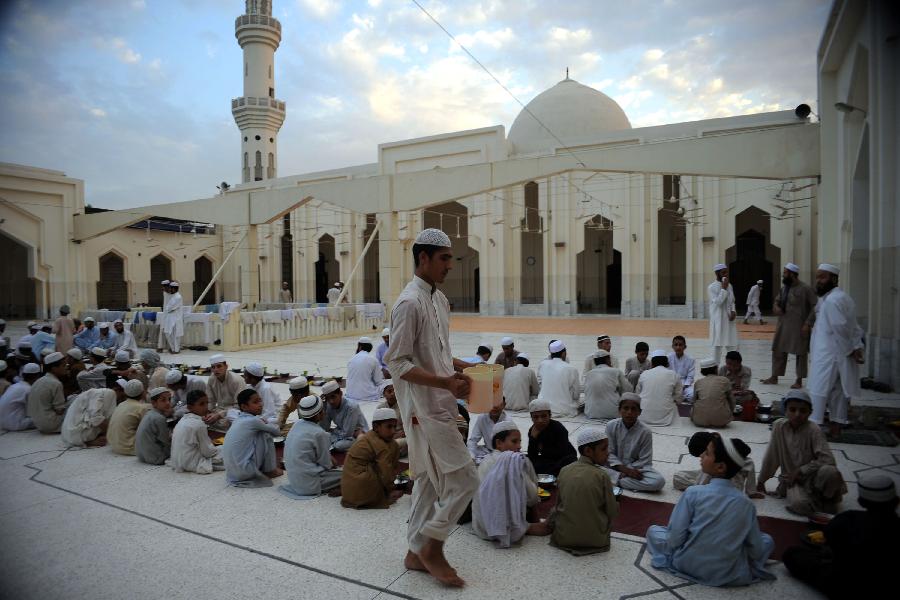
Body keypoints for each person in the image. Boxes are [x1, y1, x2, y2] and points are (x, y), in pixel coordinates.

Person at [383, 228, 479, 587]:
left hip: (440, 402)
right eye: (444, 258)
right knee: (467, 477)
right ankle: (433, 544)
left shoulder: (438, 300)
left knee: (425, 479)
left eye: (451, 258)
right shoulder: (409, 303)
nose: (450, 265)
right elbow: (398, 363)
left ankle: (414, 551)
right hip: (422, 409)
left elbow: (436, 354)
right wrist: (443, 383)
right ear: (423, 258)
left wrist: (463, 368)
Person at [646, 434, 775, 586]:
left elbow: (675, 539)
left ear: (720, 467)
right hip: (727, 573)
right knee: (766, 540)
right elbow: (756, 551)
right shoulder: (746, 504)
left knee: (654, 531)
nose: (701, 455)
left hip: (686, 563)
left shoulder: (692, 493)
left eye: (706, 453)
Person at [782, 473, 900, 600]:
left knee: (792, 554)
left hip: (844, 586)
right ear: (896, 501)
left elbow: (830, 541)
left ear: (861, 501)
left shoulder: (848, 520)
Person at [757, 389, 846, 516]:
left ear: (810, 413)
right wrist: (761, 481)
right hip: (794, 481)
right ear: (785, 411)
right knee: (799, 505)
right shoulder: (779, 426)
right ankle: (819, 501)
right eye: (792, 410)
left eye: (803, 411)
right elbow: (772, 455)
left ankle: (827, 499)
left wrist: (801, 470)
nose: (797, 414)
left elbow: (828, 460)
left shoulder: (813, 429)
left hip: (816, 477)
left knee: (830, 471)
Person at [807, 263, 864, 438]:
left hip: (829, 354)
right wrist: (856, 347)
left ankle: (814, 428)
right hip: (838, 353)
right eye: (817, 277)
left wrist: (852, 349)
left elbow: (841, 328)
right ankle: (836, 427)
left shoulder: (832, 301)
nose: (818, 281)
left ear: (833, 278)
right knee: (838, 391)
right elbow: (853, 327)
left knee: (818, 390)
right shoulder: (840, 297)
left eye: (822, 277)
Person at [472, 420, 548, 547]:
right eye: (514, 441)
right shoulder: (516, 461)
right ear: (499, 443)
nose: (519, 446)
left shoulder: (485, 461)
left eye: (520, 442)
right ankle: (524, 527)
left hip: (482, 525)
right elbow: (533, 497)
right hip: (507, 525)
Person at [549, 427, 619, 555]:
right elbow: (612, 512)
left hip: (563, 538)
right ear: (588, 451)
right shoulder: (602, 476)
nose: (608, 453)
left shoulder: (564, 470)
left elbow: (558, 505)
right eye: (603, 449)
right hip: (596, 541)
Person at [761, 263, 818, 388]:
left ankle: (799, 380)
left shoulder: (806, 289)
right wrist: (776, 307)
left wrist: (808, 323)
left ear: (792, 274)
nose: (783, 275)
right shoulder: (784, 288)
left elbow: (815, 306)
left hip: (799, 327)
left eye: (785, 273)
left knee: (800, 353)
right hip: (783, 325)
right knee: (778, 350)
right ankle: (774, 376)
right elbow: (777, 301)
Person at [279, 394, 342, 498]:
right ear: (318, 415)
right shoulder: (319, 433)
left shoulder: (296, 424)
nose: (324, 412)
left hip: (294, 481)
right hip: (310, 485)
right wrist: (331, 460)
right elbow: (326, 465)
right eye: (322, 410)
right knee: (346, 475)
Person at [341, 407, 403, 509]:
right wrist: (391, 488)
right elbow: (386, 471)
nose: (393, 431)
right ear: (376, 427)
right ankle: (378, 498)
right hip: (361, 488)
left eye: (394, 427)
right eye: (389, 427)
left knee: (394, 446)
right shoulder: (379, 444)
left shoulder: (372, 436)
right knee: (382, 467)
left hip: (349, 489)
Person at [600, 393, 665, 492]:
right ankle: (617, 479)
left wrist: (629, 471)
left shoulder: (645, 431)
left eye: (633, 409)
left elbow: (644, 460)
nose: (629, 412)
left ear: (639, 412)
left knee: (658, 481)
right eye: (625, 408)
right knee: (591, 467)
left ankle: (615, 480)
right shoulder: (611, 426)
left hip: (635, 469)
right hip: (614, 467)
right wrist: (624, 470)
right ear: (619, 410)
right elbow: (609, 452)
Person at [222, 388, 283, 487]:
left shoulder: (238, 419)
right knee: (265, 434)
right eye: (255, 402)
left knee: (260, 432)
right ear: (244, 407)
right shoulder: (253, 421)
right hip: (245, 471)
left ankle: (264, 468)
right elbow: (277, 432)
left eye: (260, 400)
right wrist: (265, 423)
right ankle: (271, 470)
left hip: (232, 473)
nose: (260, 404)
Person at [673, 431, 763, 498]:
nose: (701, 456)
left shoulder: (733, 453)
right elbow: (750, 463)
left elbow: (700, 488)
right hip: (712, 477)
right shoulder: (718, 441)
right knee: (678, 476)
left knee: (690, 482)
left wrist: (751, 492)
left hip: (726, 489)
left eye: (706, 453)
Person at [170, 389, 224, 474]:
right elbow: (208, 452)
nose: (206, 407)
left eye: (207, 403)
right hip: (192, 462)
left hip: (178, 460)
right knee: (224, 450)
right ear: (189, 407)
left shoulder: (183, 420)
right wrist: (219, 449)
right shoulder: (199, 424)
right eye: (202, 404)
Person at [526, 398, 576, 476]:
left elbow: (562, 452)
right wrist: (533, 438)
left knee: (566, 464)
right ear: (531, 418)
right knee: (527, 461)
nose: (540, 420)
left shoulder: (558, 428)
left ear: (550, 416)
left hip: (564, 458)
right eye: (536, 417)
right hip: (548, 460)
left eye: (543, 416)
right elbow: (532, 455)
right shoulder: (533, 431)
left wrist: (542, 449)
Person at [27, 352, 71, 434]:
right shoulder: (56, 383)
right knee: (75, 401)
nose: (66, 368)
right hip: (50, 424)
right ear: (54, 368)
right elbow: (60, 411)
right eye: (63, 365)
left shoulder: (39, 381)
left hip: (37, 424)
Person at [635, 350, 682, 426]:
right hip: (666, 419)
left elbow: (637, 394)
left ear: (652, 363)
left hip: (643, 416)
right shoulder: (674, 374)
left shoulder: (644, 373)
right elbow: (679, 398)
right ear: (666, 362)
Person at [319, 379, 367, 451]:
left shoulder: (352, 407)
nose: (331, 401)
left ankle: (333, 445)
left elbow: (347, 433)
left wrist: (333, 431)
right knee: (322, 437)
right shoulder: (328, 405)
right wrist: (323, 407)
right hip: (341, 433)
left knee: (339, 445)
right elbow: (324, 428)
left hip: (356, 435)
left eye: (333, 397)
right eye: (328, 398)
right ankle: (332, 445)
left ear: (340, 394)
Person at [583, 350, 632, 420]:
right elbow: (628, 390)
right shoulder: (616, 371)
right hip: (613, 413)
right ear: (607, 359)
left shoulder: (589, 374)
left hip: (591, 413)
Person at [107, 380, 152, 456]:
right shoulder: (142, 408)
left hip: (114, 445)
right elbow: (150, 429)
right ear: (142, 392)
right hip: (130, 447)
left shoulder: (121, 404)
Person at [537, 340, 580, 418]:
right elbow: (576, 395)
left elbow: (540, 383)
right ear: (563, 353)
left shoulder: (543, 364)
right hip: (564, 409)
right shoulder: (572, 369)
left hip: (543, 407)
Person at [135, 382, 173, 465]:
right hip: (156, 458)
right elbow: (165, 441)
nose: (167, 403)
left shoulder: (149, 414)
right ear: (154, 403)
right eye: (163, 400)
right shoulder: (159, 418)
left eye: (169, 399)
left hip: (141, 456)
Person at [690, 358, 734, 427]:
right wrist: (731, 413)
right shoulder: (725, 380)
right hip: (721, 421)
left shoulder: (698, 382)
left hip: (699, 421)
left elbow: (693, 401)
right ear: (716, 369)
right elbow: (732, 401)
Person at [205, 354, 246, 429]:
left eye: (219, 366)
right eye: (213, 367)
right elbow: (210, 400)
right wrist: (208, 412)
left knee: (231, 421)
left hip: (234, 412)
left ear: (226, 366)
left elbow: (239, 406)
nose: (216, 370)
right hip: (218, 410)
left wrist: (220, 415)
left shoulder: (236, 380)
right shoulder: (212, 379)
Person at [708, 263, 738, 364]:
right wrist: (723, 289)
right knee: (717, 345)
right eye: (723, 272)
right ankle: (715, 368)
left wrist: (733, 311)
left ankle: (733, 367)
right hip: (718, 320)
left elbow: (732, 300)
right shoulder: (711, 287)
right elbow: (718, 302)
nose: (726, 274)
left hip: (729, 320)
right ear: (717, 273)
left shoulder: (730, 286)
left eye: (726, 272)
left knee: (731, 344)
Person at [0, 363, 40, 431]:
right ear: (37, 376)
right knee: (44, 418)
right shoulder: (28, 389)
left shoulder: (14, 386)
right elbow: (32, 411)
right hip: (15, 424)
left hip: (2, 423)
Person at [466, 398, 509, 463]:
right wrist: (472, 457)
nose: (495, 406)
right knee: (467, 451)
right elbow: (473, 440)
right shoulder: (482, 418)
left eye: (498, 403)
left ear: (504, 405)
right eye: (491, 403)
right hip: (487, 451)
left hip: (503, 453)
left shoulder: (508, 422)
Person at [345, 336, 383, 403]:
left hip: (350, 394)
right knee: (386, 385)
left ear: (359, 347)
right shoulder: (373, 360)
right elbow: (379, 381)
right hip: (367, 395)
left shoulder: (351, 359)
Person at [667, 336, 695, 402]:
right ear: (672, 346)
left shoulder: (691, 359)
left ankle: (680, 399)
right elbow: (666, 374)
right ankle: (679, 398)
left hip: (684, 385)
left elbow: (690, 377)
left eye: (680, 345)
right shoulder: (668, 358)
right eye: (676, 345)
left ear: (685, 347)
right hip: (671, 384)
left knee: (693, 395)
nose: (678, 347)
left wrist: (682, 387)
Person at [162, 281, 184, 353]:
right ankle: (173, 348)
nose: (170, 290)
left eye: (171, 288)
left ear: (174, 289)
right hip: (170, 318)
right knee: (168, 333)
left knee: (175, 335)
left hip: (175, 318)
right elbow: (168, 308)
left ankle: (176, 350)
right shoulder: (173, 296)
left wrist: (168, 308)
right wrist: (168, 308)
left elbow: (170, 308)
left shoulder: (178, 297)